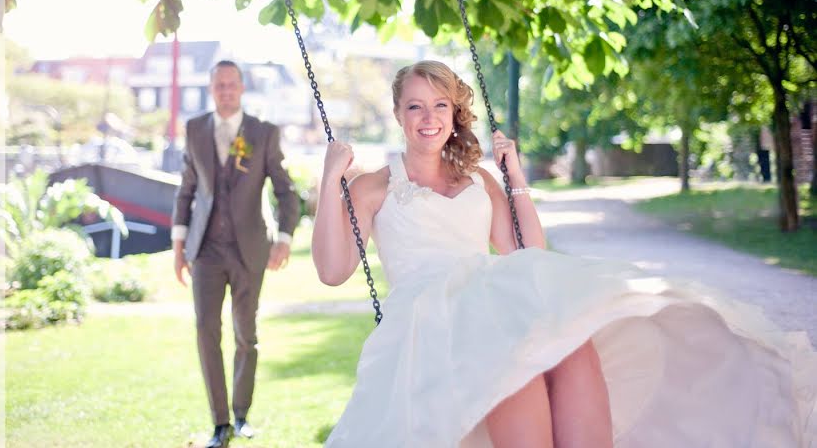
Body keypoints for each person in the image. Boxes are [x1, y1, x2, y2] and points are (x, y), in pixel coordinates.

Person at [312, 60, 816, 448]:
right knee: (514, 363)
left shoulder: (478, 179)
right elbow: (333, 271)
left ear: (454, 113)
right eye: (415, 106)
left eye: (439, 105)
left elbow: (528, 250)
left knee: (571, 345)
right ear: (398, 113)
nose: (428, 118)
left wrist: (515, 176)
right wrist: (330, 178)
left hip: (489, 292)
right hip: (432, 315)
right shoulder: (373, 186)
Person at [172, 60, 301, 448]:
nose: (225, 91)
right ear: (211, 89)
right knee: (205, 330)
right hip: (206, 250)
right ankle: (220, 423)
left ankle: (242, 415)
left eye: (231, 85)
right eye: (219, 85)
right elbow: (187, 191)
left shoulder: (263, 132)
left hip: (250, 249)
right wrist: (179, 247)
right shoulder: (195, 130)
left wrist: (284, 237)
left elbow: (286, 190)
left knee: (247, 334)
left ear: (242, 88)